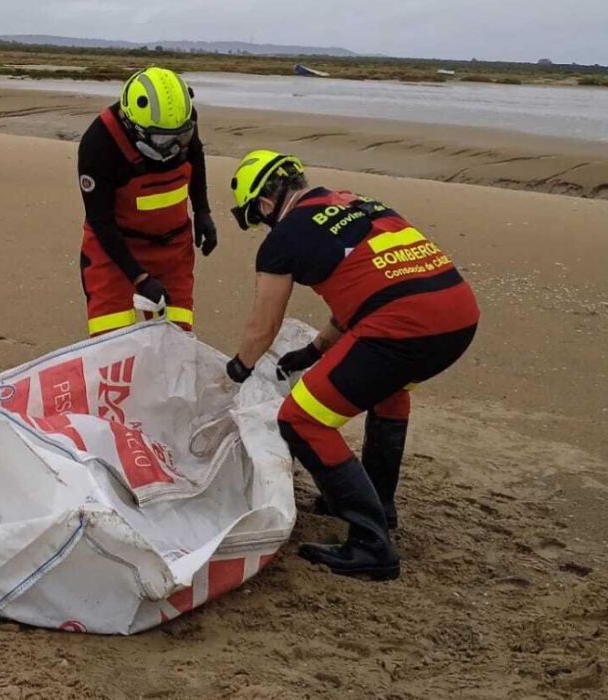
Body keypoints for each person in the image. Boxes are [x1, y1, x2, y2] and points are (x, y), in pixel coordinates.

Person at [224, 150, 479, 582]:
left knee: (301, 418)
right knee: (388, 393)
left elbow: (263, 327)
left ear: (265, 204)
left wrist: (238, 369)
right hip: (457, 316)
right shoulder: (355, 202)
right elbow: (368, 288)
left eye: (257, 217)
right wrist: (314, 350)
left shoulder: (283, 238)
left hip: (404, 326)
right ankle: (380, 503)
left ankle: (371, 544)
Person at [77, 66, 217, 337]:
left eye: (181, 137)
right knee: (111, 340)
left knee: (176, 336)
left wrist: (203, 211)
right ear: (134, 126)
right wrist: (139, 278)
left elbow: (195, 155)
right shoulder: (99, 144)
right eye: (163, 139)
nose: (174, 148)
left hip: (173, 247)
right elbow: (100, 221)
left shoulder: (180, 120)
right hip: (115, 249)